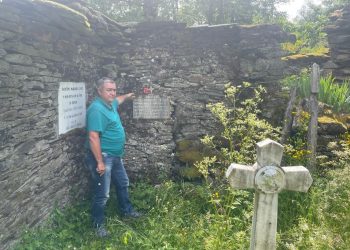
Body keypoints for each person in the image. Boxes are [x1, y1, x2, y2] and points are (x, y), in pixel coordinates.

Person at [85, 77, 141, 237]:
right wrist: (100, 162)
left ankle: (127, 211)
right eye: (108, 90)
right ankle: (98, 226)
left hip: (115, 156)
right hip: (103, 157)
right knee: (103, 193)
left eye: (114, 90)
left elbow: (118, 100)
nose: (112, 93)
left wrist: (127, 96)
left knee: (123, 182)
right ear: (99, 91)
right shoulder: (96, 109)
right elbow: (93, 137)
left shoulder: (110, 104)